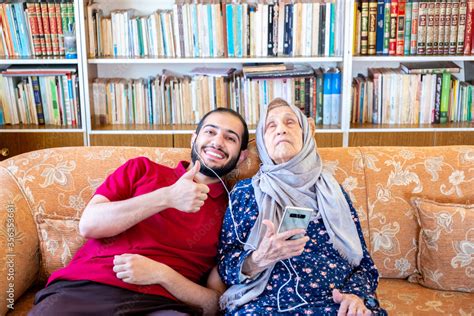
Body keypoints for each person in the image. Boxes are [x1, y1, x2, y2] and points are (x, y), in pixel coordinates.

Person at [29, 108, 249, 316]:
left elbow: (213, 304)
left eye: (230, 138)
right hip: (87, 285)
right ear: (194, 139)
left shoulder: (235, 210)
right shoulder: (142, 169)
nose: (218, 142)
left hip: (164, 304)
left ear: (241, 156)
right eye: (210, 131)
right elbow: (89, 224)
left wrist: (161, 274)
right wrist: (167, 197)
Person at [218, 98, 386, 315]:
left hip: (334, 304)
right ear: (261, 140)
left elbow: (364, 264)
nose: (281, 130)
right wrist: (258, 259)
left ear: (306, 133)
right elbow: (225, 266)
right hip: (266, 305)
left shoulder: (333, 191)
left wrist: (355, 295)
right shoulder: (245, 192)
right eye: (271, 126)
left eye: (290, 123)